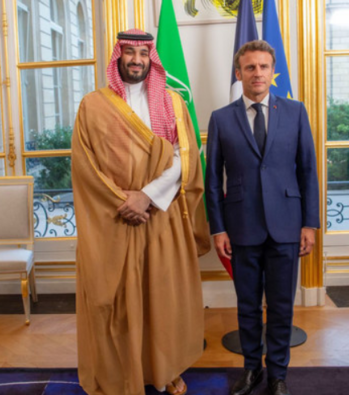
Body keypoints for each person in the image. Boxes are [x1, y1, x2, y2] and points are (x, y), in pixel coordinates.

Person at [71, 29, 210, 395]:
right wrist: (124, 201)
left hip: (160, 217)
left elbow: (186, 159)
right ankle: (119, 373)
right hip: (113, 218)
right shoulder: (93, 105)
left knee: (165, 299)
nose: (136, 59)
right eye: (129, 52)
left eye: (143, 53)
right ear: (118, 57)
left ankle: (167, 369)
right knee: (117, 303)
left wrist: (146, 196)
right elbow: (85, 167)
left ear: (152, 58)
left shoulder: (174, 103)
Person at [205, 40, 320, 395]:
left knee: (283, 306)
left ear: (273, 71)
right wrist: (218, 228)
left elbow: (308, 171)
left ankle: (278, 375)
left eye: (264, 66)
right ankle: (252, 369)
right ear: (239, 74)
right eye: (250, 67)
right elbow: (211, 180)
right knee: (249, 306)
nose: (257, 73)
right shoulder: (221, 119)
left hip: (287, 225)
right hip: (241, 227)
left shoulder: (296, 112)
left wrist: (310, 223)